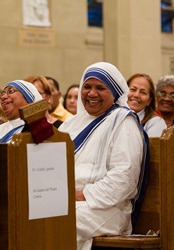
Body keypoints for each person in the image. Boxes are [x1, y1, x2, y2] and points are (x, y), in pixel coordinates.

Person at [58, 62, 148, 250]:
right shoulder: (69, 124)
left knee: (58, 219)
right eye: (87, 87)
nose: (92, 93)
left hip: (108, 207)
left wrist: (81, 195)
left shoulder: (124, 121)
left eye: (100, 88)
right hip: (69, 200)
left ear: (115, 92)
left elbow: (124, 179)